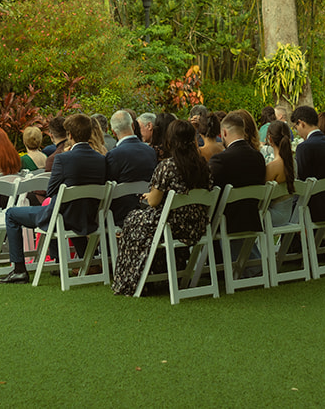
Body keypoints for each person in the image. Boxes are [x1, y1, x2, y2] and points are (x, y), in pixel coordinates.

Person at [0, 114, 106, 284]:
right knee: (72, 207)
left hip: (63, 218)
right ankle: (88, 260)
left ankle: (19, 270)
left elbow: (52, 190)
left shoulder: (63, 158)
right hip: (89, 217)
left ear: (70, 135)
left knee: (11, 214)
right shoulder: (101, 159)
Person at [111, 119, 213, 295]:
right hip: (197, 224)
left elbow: (153, 202)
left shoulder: (167, 166)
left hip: (171, 225)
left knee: (133, 219)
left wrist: (149, 196)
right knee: (144, 223)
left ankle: (131, 278)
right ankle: (166, 270)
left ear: (170, 140)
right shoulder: (203, 165)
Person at [209, 109, 267, 234]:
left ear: (224, 132)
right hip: (252, 220)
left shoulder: (220, 159)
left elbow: (209, 188)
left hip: (226, 223)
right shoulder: (258, 157)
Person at [106, 108, 160, 224]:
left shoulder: (113, 155)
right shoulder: (150, 151)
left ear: (113, 132)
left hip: (120, 216)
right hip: (147, 211)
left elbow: (109, 187)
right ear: (133, 126)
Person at [292, 105, 325, 222]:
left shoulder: (304, 147)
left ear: (301, 123)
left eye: (295, 127)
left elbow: (302, 181)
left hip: (309, 209)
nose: (297, 132)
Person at [264, 120, 300, 224]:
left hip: (271, 217)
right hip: (288, 215)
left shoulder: (272, 167)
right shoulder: (294, 163)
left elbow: (261, 196)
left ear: (270, 139)